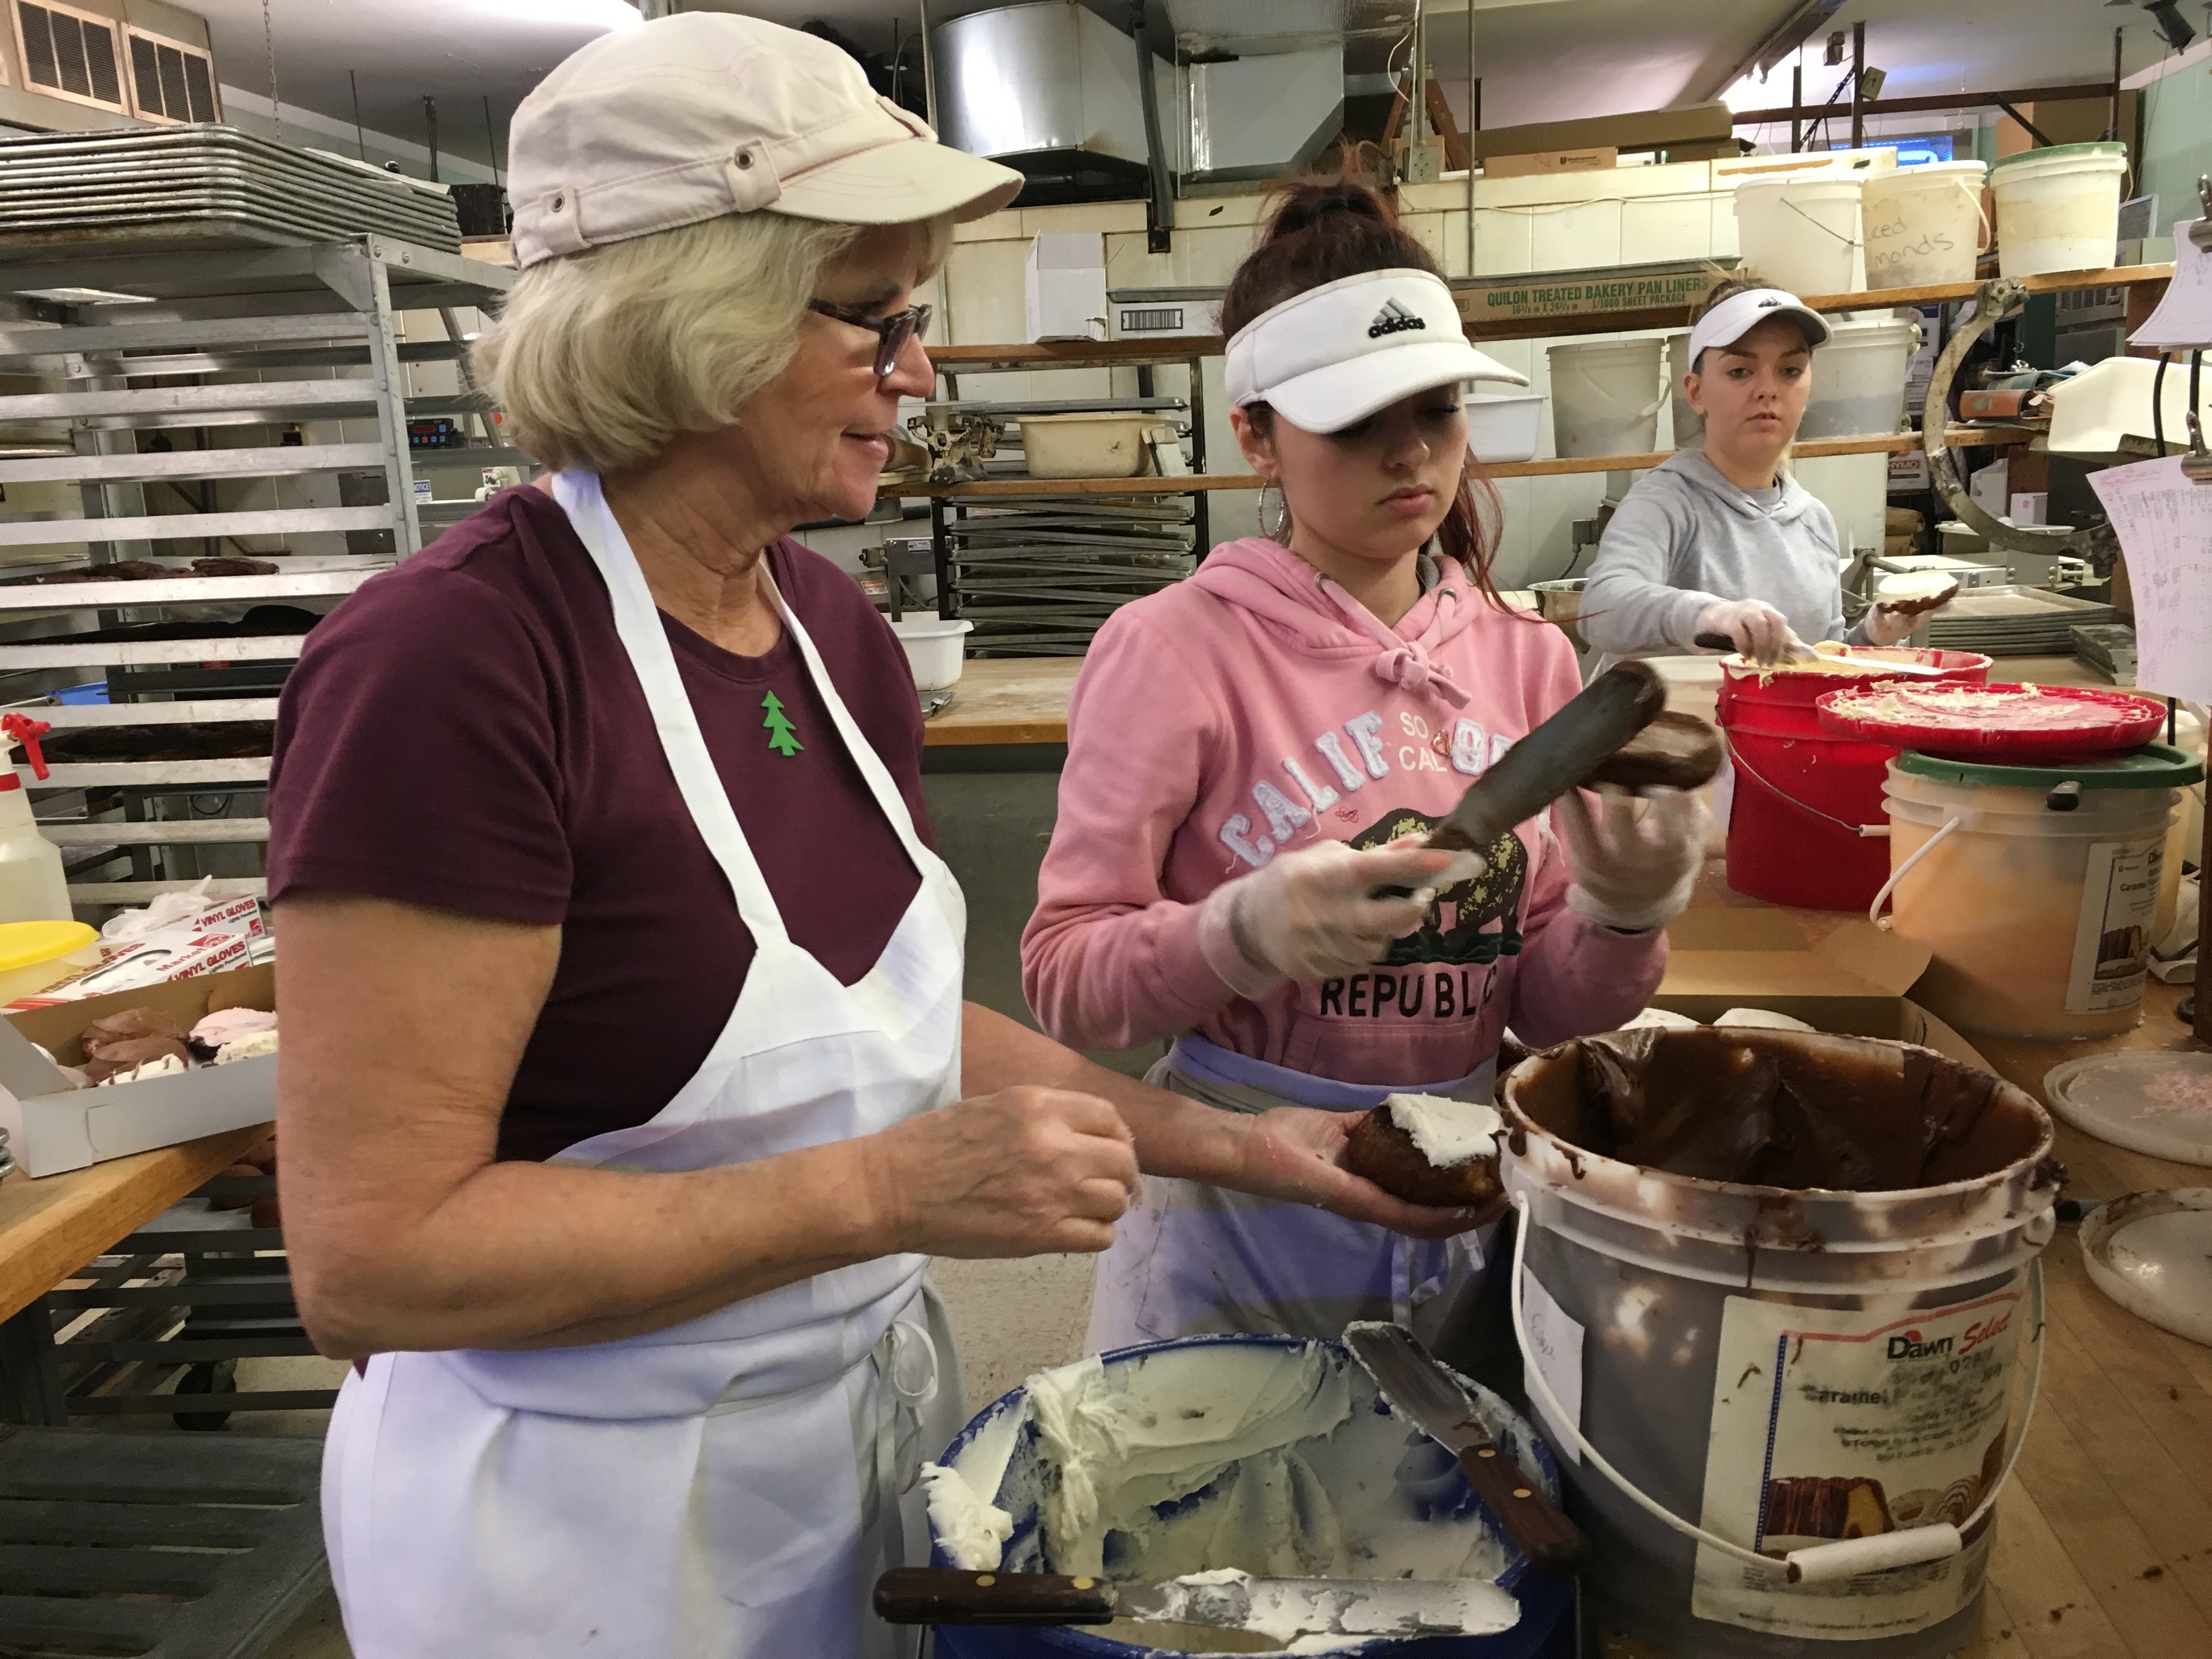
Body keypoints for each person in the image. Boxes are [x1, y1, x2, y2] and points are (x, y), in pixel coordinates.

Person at [269, 20, 1452, 1658]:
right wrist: (886, 1189)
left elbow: (876, 1034)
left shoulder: (828, 628)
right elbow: (375, 1264)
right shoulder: (457, 665)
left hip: (847, 1455)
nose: (922, 373)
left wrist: (1252, 1150)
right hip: (575, 1540)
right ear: (693, 319)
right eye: (877, 321)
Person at [1019, 183, 1706, 1354]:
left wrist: (1623, 917)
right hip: (1241, 1209)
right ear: (1254, 431)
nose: (1412, 453)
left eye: (1437, 410)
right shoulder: (1180, 651)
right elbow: (1065, 981)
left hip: (1460, 1200)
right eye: (1355, 421)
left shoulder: (1528, 660)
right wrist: (1238, 936)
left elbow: (1540, 1008)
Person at [1577, 279, 1926, 665]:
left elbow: (1817, 660)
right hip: (1678, 725)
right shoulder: (1667, 501)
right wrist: (1706, 615)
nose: (1768, 389)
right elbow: (1600, 607)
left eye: (1790, 370)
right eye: (1740, 371)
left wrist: (1872, 637)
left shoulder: (1813, 521)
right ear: (1695, 392)